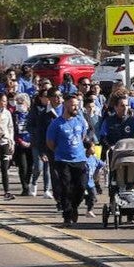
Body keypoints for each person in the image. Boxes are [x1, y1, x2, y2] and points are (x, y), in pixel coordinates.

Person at [47, 95, 90, 225]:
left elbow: (82, 137)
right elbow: (50, 143)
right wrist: (61, 151)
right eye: (72, 105)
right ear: (65, 105)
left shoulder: (80, 121)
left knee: (81, 187)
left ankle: (74, 207)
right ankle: (67, 214)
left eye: (77, 105)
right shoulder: (56, 124)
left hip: (79, 159)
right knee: (66, 187)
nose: (75, 107)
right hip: (63, 160)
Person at [12, 93, 34, 195]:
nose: (19, 105)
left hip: (31, 144)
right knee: (23, 166)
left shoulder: (32, 114)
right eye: (18, 103)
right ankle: (25, 187)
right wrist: (20, 141)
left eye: (21, 103)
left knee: (30, 166)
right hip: (20, 144)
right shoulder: (14, 115)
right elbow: (12, 130)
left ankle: (27, 183)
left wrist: (31, 141)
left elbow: (35, 129)